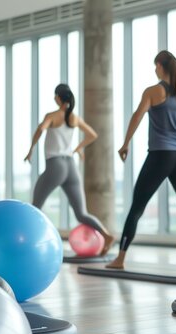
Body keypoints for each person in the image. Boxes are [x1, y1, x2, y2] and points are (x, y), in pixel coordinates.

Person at [106, 50, 176, 269]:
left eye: (156, 66)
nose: (155, 70)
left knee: (137, 207)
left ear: (161, 66)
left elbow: (137, 115)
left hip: (161, 155)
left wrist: (125, 144)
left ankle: (120, 259)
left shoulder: (153, 91)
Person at [25, 84, 115, 255]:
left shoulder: (52, 116)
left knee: (35, 207)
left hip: (56, 165)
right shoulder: (74, 118)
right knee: (82, 213)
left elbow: (40, 129)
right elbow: (93, 134)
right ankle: (107, 235)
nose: (54, 98)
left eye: (55, 95)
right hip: (71, 166)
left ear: (59, 97)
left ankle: (30, 242)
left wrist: (31, 149)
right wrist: (78, 149)